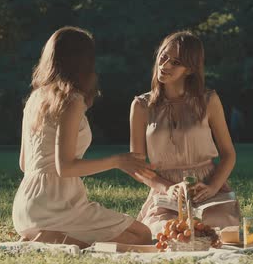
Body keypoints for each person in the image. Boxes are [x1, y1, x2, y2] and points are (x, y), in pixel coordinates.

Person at [13, 26, 153, 248]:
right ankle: (52, 239)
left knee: (137, 236)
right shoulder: (72, 100)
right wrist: (118, 161)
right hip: (55, 205)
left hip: (25, 206)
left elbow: (24, 163)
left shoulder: (35, 98)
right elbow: (65, 167)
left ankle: (47, 237)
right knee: (142, 236)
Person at [129, 30, 241, 236]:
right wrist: (167, 188)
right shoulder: (141, 106)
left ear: (189, 69)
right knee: (167, 232)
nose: (165, 65)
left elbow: (228, 154)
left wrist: (213, 187)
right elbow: (137, 167)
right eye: (163, 57)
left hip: (206, 189)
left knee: (214, 231)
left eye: (176, 62)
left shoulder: (208, 101)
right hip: (167, 194)